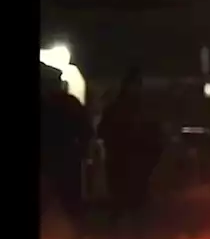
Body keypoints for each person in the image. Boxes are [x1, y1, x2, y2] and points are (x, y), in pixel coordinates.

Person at [98, 68, 163, 223]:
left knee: (136, 201)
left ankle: (133, 231)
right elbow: (103, 130)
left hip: (138, 161)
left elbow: (155, 135)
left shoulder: (143, 110)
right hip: (121, 159)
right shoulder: (118, 109)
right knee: (121, 199)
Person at [40, 66, 93, 224]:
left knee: (66, 198)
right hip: (61, 159)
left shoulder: (66, 104)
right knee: (67, 199)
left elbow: (86, 130)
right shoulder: (68, 103)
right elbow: (86, 130)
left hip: (59, 158)